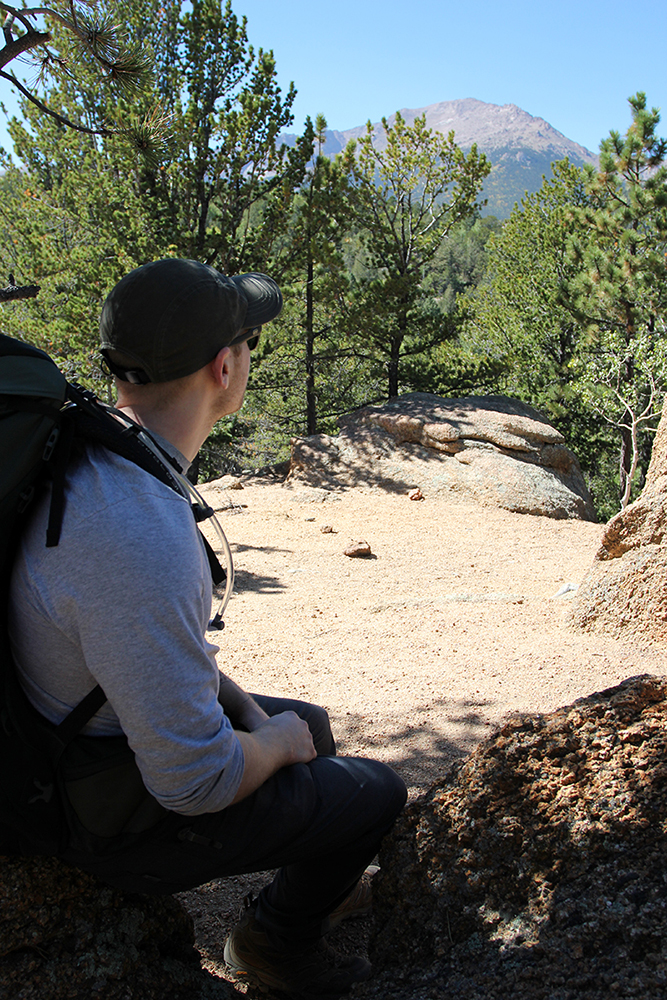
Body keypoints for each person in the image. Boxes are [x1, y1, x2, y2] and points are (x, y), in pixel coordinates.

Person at [8, 258, 407, 999]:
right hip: (85, 808)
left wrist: (254, 715)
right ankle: (273, 946)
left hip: (50, 733)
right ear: (223, 367)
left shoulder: (92, 450)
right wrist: (272, 743)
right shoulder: (137, 533)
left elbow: (124, 645)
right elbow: (194, 782)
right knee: (373, 793)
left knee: (307, 726)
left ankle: (300, 892)